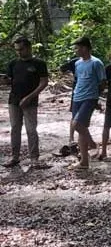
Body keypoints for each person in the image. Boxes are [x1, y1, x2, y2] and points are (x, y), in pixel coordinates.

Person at [2, 37, 48, 168]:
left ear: (29, 48)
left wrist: (29, 97)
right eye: (17, 50)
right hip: (14, 100)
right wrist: (5, 80)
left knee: (31, 129)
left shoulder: (39, 63)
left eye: (21, 49)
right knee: (15, 129)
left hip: (30, 101)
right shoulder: (13, 63)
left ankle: (34, 158)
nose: (19, 52)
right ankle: (14, 157)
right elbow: (10, 80)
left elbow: (44, 82)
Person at [68, 37, 107, 170]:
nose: (76, 50)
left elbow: (102, 82)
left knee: (77, 124)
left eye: (78, 47)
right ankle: (84, 161)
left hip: (89, 98)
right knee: (80, 129)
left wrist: (95, 96)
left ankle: (92, 144)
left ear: (85, 48)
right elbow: (77, 80)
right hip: (77, 97)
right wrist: (73, 97)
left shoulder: (96, 63)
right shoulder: (78, 63)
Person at [59, 56, 80, 144]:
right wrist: (72, 76)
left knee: (83, 117)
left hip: (87, 91)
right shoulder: (75, 61)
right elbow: (62, 69)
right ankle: (71, 138)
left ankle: (80, 139)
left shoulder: (93, 62)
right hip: (76, 90)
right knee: (74, 115)